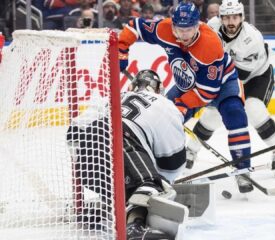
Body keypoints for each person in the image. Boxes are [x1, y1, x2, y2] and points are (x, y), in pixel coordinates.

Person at [118, 1, 254, 193]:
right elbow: (135, 27)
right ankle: (152, 171)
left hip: (222, 83)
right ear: (172, 24)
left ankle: (243, 169)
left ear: (197, 26)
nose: (183, 35)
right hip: (186, 84)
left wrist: (182, 104)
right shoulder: (164, 29)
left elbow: (207, 92)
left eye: (188, 29)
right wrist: (121, 51)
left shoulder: (209, 45)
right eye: (179, 29)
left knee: (235, 115)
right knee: (161, 120)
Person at [67, 70, 188, 238]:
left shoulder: (112, 97)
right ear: (159, 90)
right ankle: (134, 226)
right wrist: (160, 181)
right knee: (153, 185)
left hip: (85, 161)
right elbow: (173, 162)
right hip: (121, 138)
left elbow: (73, 133)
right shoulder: (164, 103)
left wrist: (84, 158)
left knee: (131, 183)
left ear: (131, 86)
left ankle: (112, 204)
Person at [185, 0, 275, 178]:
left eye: (235, 17)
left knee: (253, 108)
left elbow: (239, 74)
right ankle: (190, 150)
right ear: (220, 18)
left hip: (256, 76)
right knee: (213, 114)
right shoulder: (211, 28)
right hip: (227, 74)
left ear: (242, 17)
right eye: (226, 18)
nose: (231, 22)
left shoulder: (252, 39)